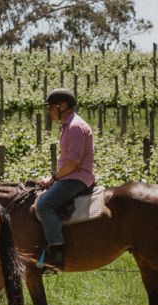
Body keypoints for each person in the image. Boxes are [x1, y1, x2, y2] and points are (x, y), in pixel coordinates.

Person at [35, 89, 94, 272]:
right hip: (70, 176)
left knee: (44, 204)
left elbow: (73, 162)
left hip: (76, 178)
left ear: (63, 106)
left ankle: (57, 252)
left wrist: (53, 178)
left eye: (51, 107)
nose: (49, 111)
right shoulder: (69, 126)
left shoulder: (75, 127)